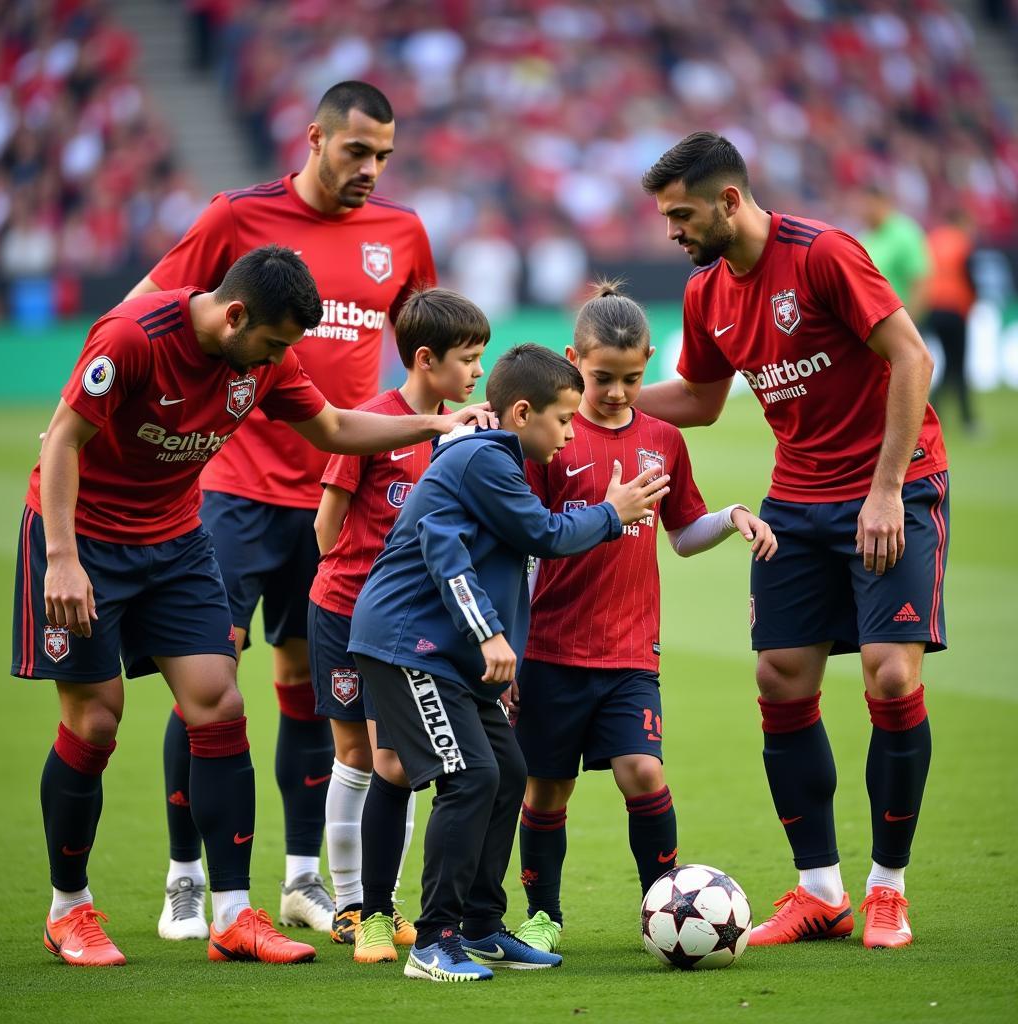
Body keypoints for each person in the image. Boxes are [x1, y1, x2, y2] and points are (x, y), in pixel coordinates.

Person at [11, 245, 489, 968]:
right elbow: (64, 441)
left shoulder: (265, 356)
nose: (277, 360)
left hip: (173, 540)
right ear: (235, 315)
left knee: (219, 704)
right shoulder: (133, 337)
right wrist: (62, 559)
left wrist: (434, 426)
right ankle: (68, 908)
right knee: (96, 718)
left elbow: (331, 429)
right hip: (84, 542)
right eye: (271, 344)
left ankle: (233, 915)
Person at [125, 81, 436, 940]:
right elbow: (145, 305)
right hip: (231, 490)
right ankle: (186, 878)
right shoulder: (236, 217)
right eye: (356, 152)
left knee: (312, 689)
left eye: (384, 157)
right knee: (209, 689)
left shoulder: (402, 235)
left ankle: (305, 877)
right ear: (314, 139)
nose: (370, 170)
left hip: (343, 499)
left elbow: (424, 351)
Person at [638, 132, 949, 950]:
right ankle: (819, 892)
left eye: (681, 214)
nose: (672, 230)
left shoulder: (822, 255)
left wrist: (885, 491)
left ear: (729, 201)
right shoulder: (707, 292)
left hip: (894, 487)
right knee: (780, 678)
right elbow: (703, 400)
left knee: (888, 675)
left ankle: (887, 890)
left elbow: (911, 358)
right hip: (798, 497)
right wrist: (599, 396)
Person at [347, 344, 671, 981]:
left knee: (509, 769)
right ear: (522, 412)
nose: (573, 433)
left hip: (446, 653)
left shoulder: (491, 456)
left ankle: (481, 927)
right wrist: (612, 515)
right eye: (563, 419)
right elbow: (530, 537)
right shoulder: (484, 460)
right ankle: (432, 940)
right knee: (468, 777)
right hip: (409, 645)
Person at [512, 282, 776, 953]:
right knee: (547, 790)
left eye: (633, 378)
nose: (619, 393)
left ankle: (666, 908)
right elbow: (525, 541)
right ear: (574, 360)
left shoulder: (663, 438)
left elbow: (683, 530)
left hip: (631, 651)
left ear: (651, 361)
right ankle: (543, 915)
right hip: (550, 648)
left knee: (644, 774)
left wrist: (731, 517)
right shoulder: (553, 440)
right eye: (602, 378)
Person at [308, 288, 490, 961]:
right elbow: (326, 527)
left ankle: (379, 906)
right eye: (468, 360)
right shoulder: (373, 423)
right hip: (345, 611)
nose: (477, 372)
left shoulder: (459, 429)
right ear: (424, 359)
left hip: (408, 626)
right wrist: (362, 588)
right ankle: (354, 905)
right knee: (361, 757)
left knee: (401, 760)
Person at [926, 209, 978, 432]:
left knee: (947, 363)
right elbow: (970, 277)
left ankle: (933, 410)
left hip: (933, 307)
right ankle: (968, 420)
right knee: (958, 365)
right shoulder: (962, 243)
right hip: (955, 308)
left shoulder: (933, 240)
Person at [857, 183, 931, 322]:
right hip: (872, 324)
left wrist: (910, 325)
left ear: (883, 202)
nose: (865, 210)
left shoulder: (905, 233)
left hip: (898, 323)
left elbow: (920, 282)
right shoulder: (864, 237)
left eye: (869, 204)